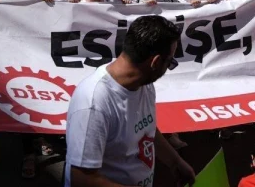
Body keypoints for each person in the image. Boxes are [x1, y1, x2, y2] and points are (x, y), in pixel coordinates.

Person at [65, 15, 195, 187]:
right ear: (155, 62)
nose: (169, 67)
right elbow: (81, 178)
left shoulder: (143, 83)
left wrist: (175, 161)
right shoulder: (93, 103)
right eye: (170, 61)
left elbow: (146, 129)